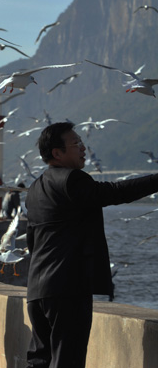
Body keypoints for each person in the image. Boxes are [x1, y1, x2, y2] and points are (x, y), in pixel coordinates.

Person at [26, 122, 158, 367]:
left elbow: (32, 240)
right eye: (76, 143)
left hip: (37, 291)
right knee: (68, 361)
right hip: (67, 289)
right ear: (57, 153)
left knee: (39, 361)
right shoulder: (71, 180)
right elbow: (113, 192)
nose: (83, 148)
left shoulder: (34, 188)